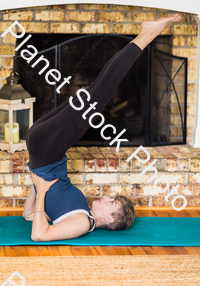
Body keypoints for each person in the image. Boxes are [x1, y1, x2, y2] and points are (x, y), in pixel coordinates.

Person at [22, 14, 182, 242]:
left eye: (112, 203)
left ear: (110, 219)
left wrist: (41, 188)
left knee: (101, 91)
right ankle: (146, 35)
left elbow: (38, 234)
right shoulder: (81, 213)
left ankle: (147, 34)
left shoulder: (82, 222)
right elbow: (29, 215)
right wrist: (37, 183)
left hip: (46, 149)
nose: (106, 197)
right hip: (45, 148)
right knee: (97, 90)